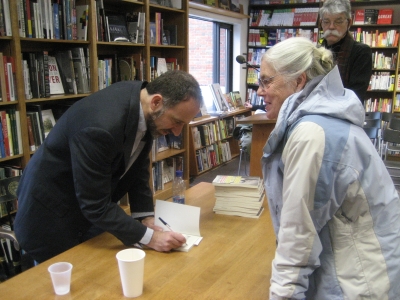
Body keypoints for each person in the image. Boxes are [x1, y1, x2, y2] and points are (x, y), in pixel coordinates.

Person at [259, 37, 400, 299]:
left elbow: (298, 238)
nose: (259, 91)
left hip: (360, 281)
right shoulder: (324, 117)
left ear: (299, 81)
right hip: (367, 264)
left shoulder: (312, 133)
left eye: (267, 81)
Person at [14, 70, 203, 263]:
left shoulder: (143, 104)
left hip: (86, 211)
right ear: (156, 102)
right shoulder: (100, 127)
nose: (177, 133)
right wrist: (151, 238)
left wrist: (145, 217)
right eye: (177, 122)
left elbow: (137, 165)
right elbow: (95, 204)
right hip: (50, 218)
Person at [319, 0, 372, 102]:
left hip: (344, 114)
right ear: (321, 23)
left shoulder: (361, 52)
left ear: (349, 23)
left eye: (338, 22)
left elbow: (355, 96)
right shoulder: (315, 52)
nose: (331, 26)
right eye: (326, 22)